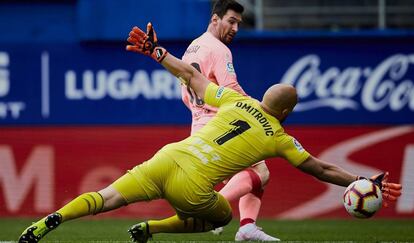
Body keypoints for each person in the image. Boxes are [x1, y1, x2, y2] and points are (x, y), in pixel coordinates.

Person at [18, 23, 402, 243]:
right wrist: (362, 179)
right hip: (195, 187)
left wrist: (157, 53)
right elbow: (321, 170)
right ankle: (153, 228)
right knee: (220, 219)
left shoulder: (235, 101)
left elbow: (191, 75)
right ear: (287, 113)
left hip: (168, 156)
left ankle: (51, 220)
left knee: (107, 197)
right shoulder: (280, 138)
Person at [180, 0, 276, 240]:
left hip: (200, 125)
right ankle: (216, 211)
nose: (235, 28)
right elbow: (230, 88)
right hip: (222, 125)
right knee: (260, 173)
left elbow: (185, 94)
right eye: (231, 22)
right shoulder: (219, 49)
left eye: (238, 24)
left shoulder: (191, 48)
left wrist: (200, 112)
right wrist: (260, 109)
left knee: (250, 175)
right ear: (215, 19)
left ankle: (245, 226)